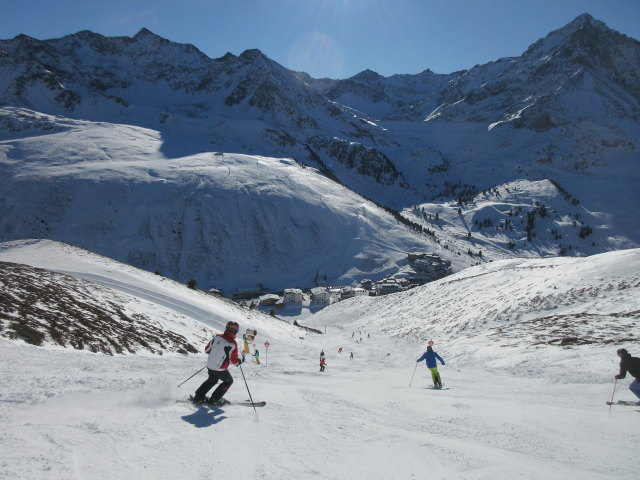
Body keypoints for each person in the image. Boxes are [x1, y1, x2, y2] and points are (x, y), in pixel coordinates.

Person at [193, 321, 242, 405]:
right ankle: (215, 399)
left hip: (210, 364)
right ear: (236, 331)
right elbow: (233, 361)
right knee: (228, 381)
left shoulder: (217, 337)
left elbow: (207, 350)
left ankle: (198, 396)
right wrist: (239, 361)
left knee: (212, 380)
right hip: (219, 367)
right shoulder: (232, 344)